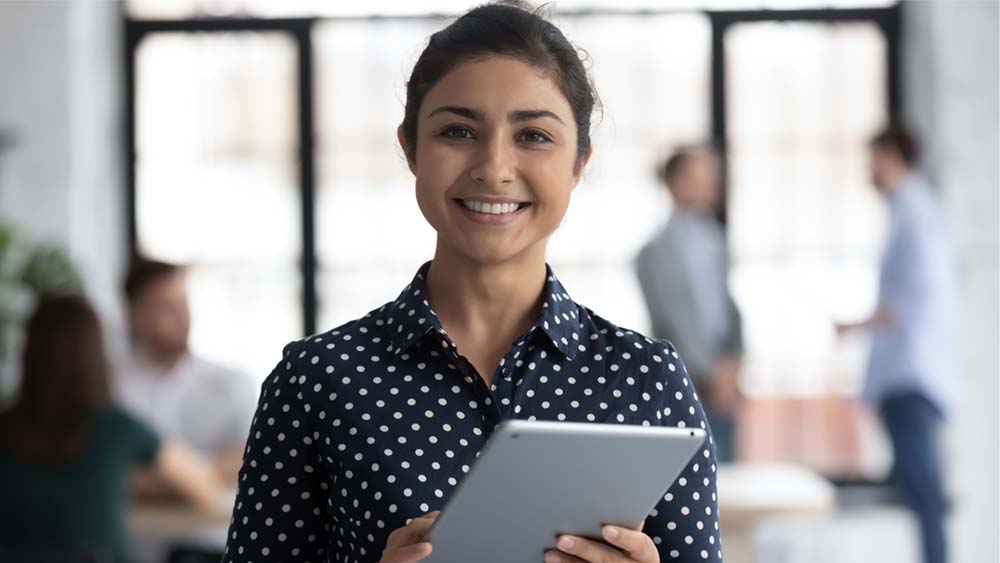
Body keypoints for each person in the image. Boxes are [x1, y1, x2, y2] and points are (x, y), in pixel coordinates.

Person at [223, 3, 721, 562]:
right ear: (410, 148)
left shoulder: (647, 381)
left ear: (580, 162)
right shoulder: (316, 382)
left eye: (533, 135)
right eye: (458, 131)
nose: (494, 167)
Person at [0, 295, 221, 563]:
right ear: (96, 355)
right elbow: (203, 485)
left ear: (29, 353)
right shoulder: (116, 428)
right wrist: (126, 482)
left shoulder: (6, 426)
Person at [836, 125, 957, 563]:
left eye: (872, 158)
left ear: (889, 155)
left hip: (911, 376)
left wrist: (853, 326)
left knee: (924, 496)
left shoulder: (915, 215)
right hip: (909, 373)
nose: (867, 169)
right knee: (918, 493)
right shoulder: (909, 211)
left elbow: (909, 299)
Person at [635, 146, 743, 462]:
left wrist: (733, 363)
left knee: (727, 474)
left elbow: (729, 307)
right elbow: (670, 320)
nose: (712, 183)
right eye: (701, 175)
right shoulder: (653, 253)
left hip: (724, 375)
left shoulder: (716, 241)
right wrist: (709, 373)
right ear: (674, 182)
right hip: (684, 376)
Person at [114, 258, 257, 489]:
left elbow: (250, 459)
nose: (183, 318)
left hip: (214, 523)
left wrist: (153, 479)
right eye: (167, 308)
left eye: (184, 305)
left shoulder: (231, 385)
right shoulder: (110, 387)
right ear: (134, 316)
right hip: (137, 524)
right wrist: (195, 477)